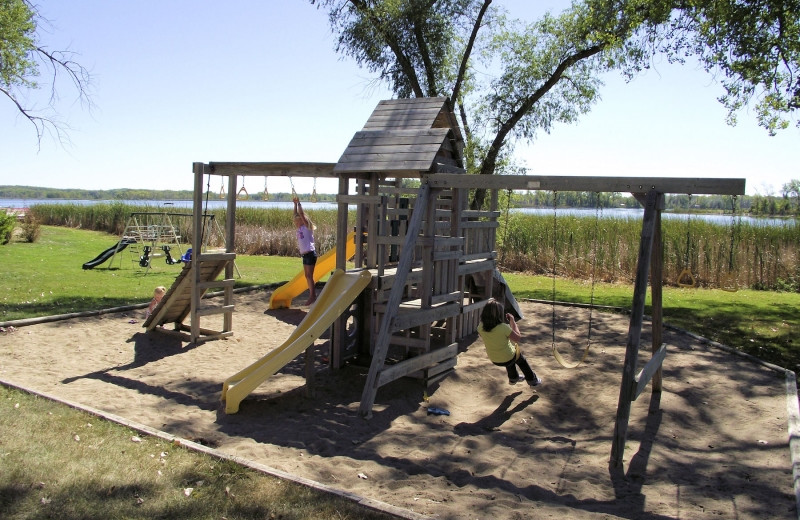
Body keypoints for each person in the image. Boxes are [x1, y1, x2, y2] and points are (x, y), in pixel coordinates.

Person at [477, 299, 542, 387]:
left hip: (494, 358)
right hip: (507, 357)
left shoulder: (480, 327)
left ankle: (513, 378)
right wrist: (512, 321)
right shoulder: (503, 327)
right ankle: (532, 380)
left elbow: (486, 337)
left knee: (509, 352)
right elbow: (517, 338)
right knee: (520, 359)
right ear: (499, 314)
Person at [293, 197, 317, 305]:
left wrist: (299, 204)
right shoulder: (299, 229)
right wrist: (294, 205)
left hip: (310, 254)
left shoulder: (307, 227)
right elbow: (295, 215)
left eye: (297, 221)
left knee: (309, 276)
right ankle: (312, 295)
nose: (296, 222)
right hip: (305, 255)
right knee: (307, 276)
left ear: (301, 221)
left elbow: (301, 215)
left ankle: (312, 296)